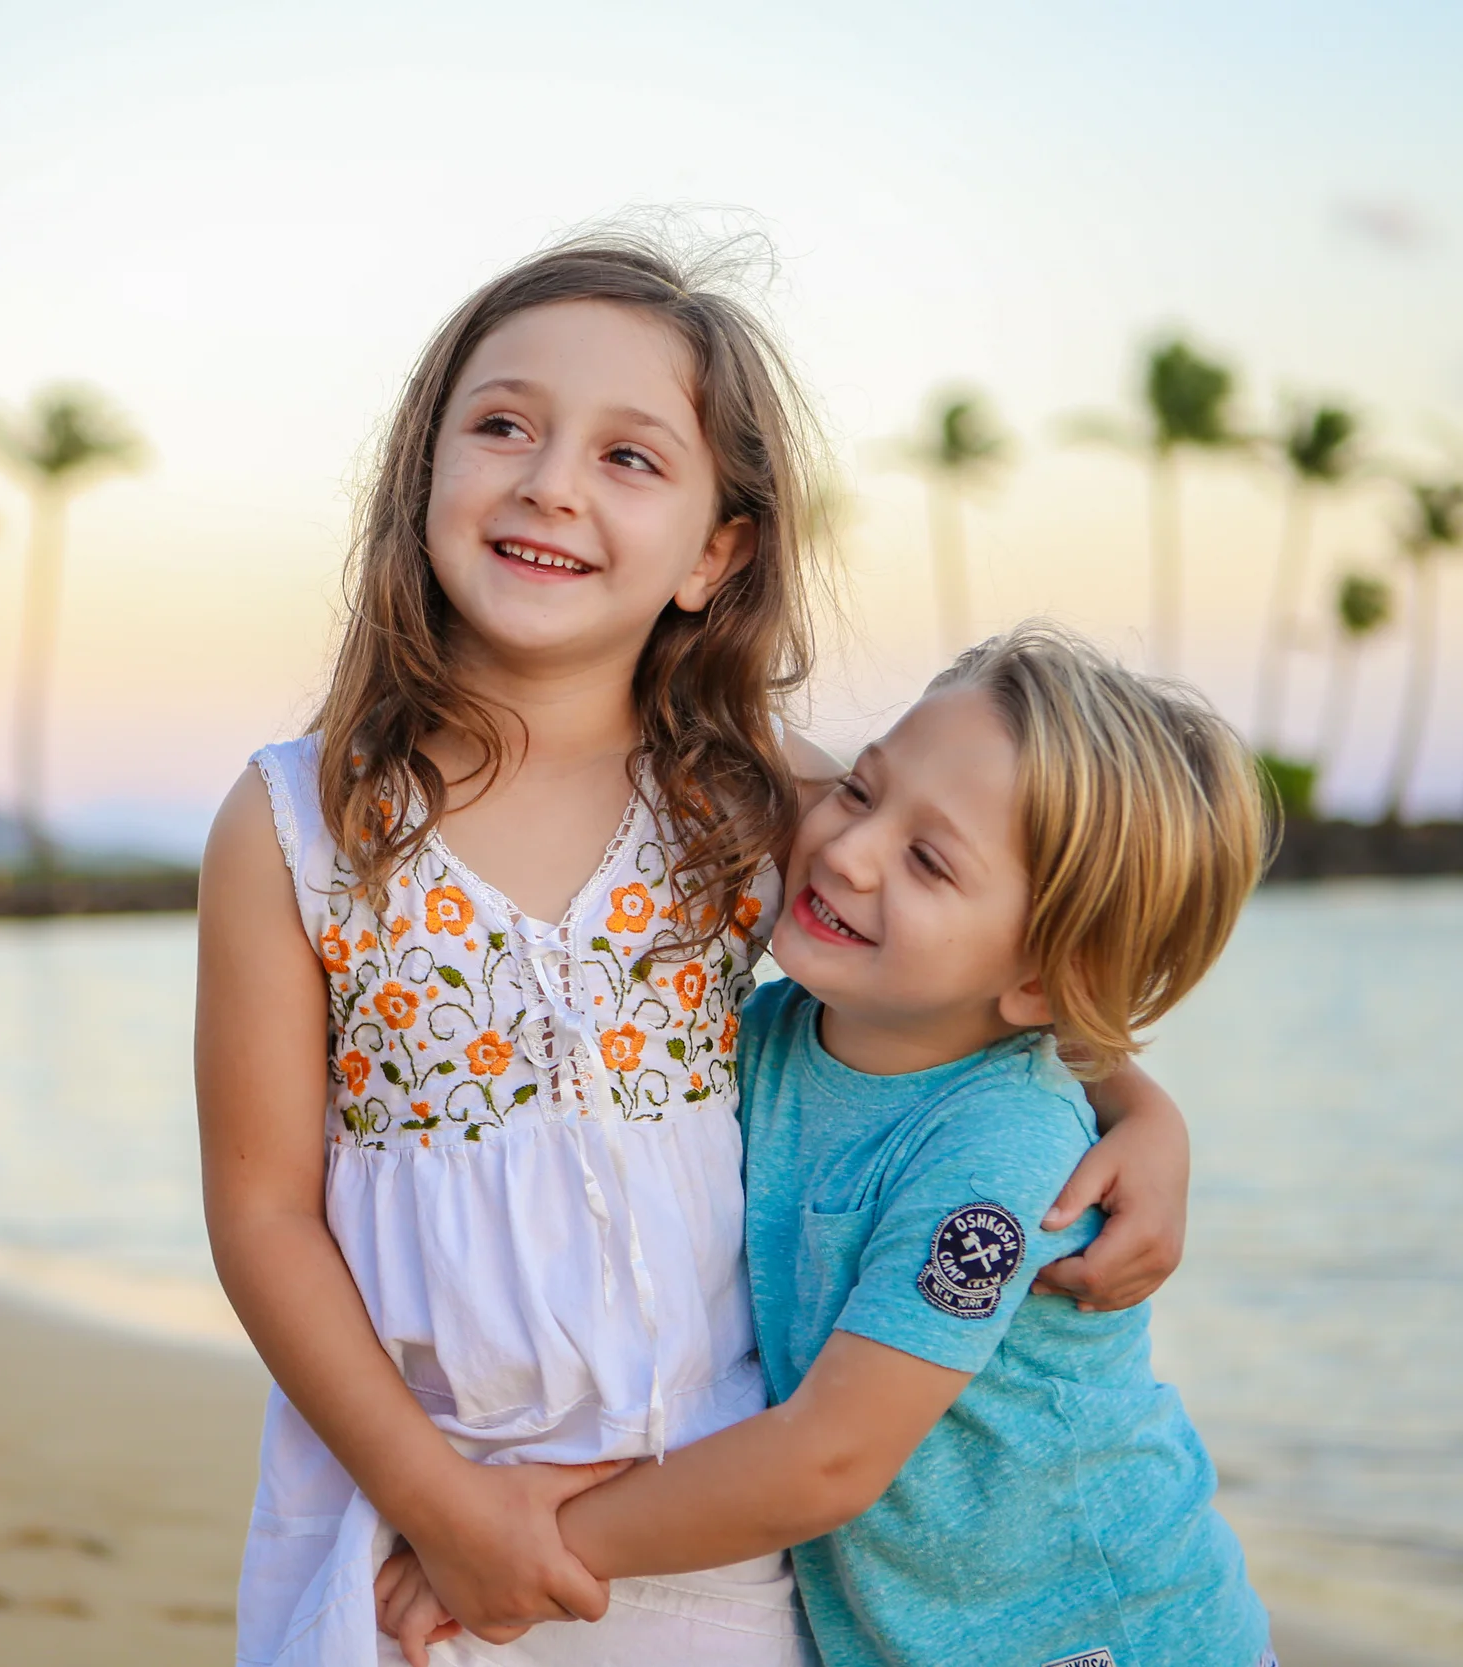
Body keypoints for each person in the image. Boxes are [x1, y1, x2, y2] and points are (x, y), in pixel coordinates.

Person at [196, 236, 1196, 1667]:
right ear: (422, 466)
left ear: (715, 554)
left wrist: (1143, 1110)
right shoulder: (300, 823)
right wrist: (440, 1502)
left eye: (630, 458)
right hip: (406, 1517)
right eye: (503, 425)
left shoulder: (740, 794)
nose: (551, 480)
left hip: (712, 1515)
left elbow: (986, 964)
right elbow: (262, 1213)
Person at [379, 624, 1275, 1667]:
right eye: (858, 789)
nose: (848, 849)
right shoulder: (762, 1033)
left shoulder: (1001, 1149)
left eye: (929, 860)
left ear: (1041, 977)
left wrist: (517, 1545)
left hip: (1106, 1637)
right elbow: (698, 724)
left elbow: (829, 1460)